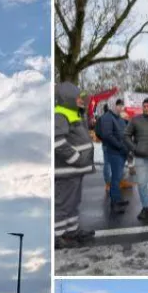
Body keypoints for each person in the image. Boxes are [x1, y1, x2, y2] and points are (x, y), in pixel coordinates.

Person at [54, 81, 95, 248]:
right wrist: (76, 158)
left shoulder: (73, 113)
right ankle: (57, 236)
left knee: (73, 202)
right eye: (78, 98)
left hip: (75, 170)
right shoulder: (60, 115)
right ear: (68, 98)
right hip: (68, 169)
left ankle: (71, 231)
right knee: (63, 203)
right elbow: (57, 141)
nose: (81, 100)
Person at [97, 98, 129, 214]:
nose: (121, 107)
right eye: (118, 105)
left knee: (118, 177)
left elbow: (124, 132)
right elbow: (107, 135)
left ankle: (118, 199)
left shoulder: (119, 118)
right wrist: (120, 146)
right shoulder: (107, 118)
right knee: (115, 178)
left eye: (121, 105)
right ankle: (114, 203)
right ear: (112, 105)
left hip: (122, 152)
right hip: (115, 152)